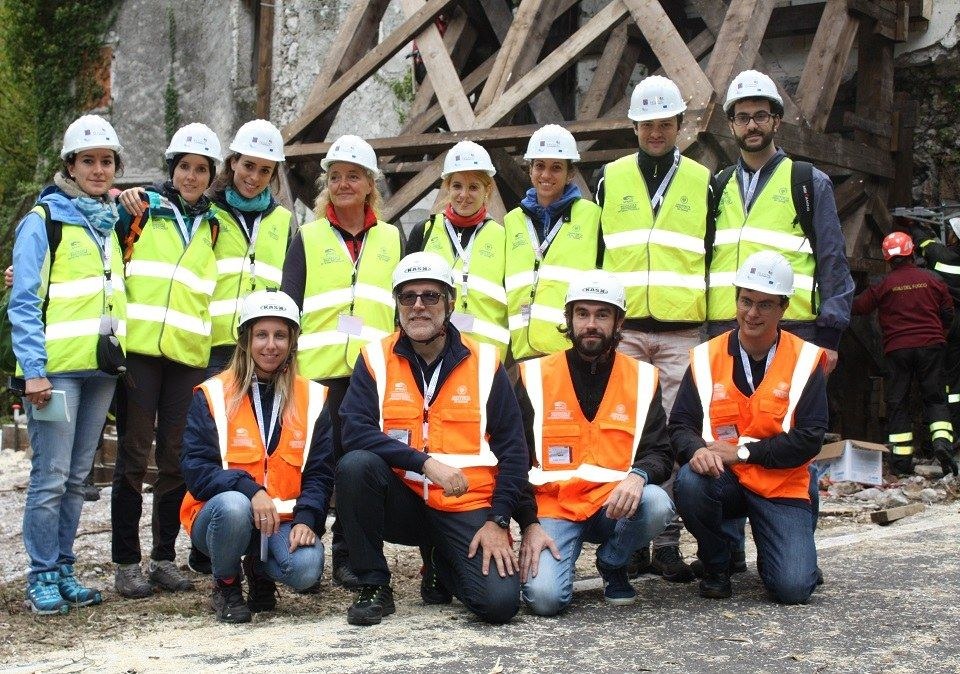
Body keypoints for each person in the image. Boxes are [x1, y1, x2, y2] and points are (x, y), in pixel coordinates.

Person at [335, 252, 528, 626]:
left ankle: (441, 560)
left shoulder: (485, 362)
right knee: (356, 466)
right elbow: (354, 431)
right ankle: (374, 583)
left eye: (430, 296)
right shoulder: (374, 358)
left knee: (498, 605)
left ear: (450, 303)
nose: (418, 306)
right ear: (397, 305)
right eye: (408, 296)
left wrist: (499, 520)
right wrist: (424, 463)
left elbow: (514, 451)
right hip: (403, 502)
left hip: (464, 504)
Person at [596, 75, 714, 582]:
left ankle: (666, 542)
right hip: (626, 329)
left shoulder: (703, 180)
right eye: (647, 124)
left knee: (673, 436)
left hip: (680, 329)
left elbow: (712, 251)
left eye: (665, 123)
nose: (656, 132)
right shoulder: (610, 178)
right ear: (635, 127)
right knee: (625, 431)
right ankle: (631, 540)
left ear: (679, 124)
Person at [10, 114, 126, 614]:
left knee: (78, 478)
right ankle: (40, 575)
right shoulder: (44, 221)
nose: (98, 170)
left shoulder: (108, 223)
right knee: (51, 476)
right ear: (70, 166)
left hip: (99, 372)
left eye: (107, 161)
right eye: (88, 161)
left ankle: (62, 567)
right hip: (54, 374)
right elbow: (23, 302)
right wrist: (33, 371)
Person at [514, 270, 675, 614]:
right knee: (545, 600)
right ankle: (559, 565)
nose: (591, 324)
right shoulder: (534, 376)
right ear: (569, 319)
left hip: (614, 506)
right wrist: (528, 524)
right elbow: (514, 458)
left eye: (602, 315)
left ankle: (613, 562)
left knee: (657, 502)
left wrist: (638, 476)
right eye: (582, 314)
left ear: (619, 322)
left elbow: (660, 451)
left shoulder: (642, 378)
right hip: (554, 508)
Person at [281, 134, 402, 589]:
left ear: (370, 184)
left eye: (353, 176)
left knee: (358, 466)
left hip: (372, 375)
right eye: (335, 177)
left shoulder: (392, 238)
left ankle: (350, 555)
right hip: (318, 374)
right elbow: (289, 307)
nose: (344, 184)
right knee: (318, 464)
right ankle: (303, 551)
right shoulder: (308, 237)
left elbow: (402, 309)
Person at [671, 251, 827, 604]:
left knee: (792, 589)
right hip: (724, 481)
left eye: (765, 304)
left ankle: (797, 547)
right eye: (746, 301)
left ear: (783, 308)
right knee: (690, 481)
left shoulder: (805, 360)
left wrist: (741, 453)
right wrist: (696, 451)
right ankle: (717, 563)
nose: (752, 313)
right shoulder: (707, 357)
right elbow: (680, 424)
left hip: (780, 482)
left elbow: (809, 438)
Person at [111, 123, 222, 599]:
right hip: (140, 353)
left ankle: (162, 559)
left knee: (176, 460)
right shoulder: (141, 209)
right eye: (184, 167)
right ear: (171, 168)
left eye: (201, 169)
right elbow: (101, 251)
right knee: (133, 457)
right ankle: (125, 563)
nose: (191, 177)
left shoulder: (213, 224)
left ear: (211, 176)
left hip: (187, 357)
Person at [179, 290, 331, 623]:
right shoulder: (214, 394)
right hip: (221, 517)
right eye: (261, 334)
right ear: (246, 340)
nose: (270, 345)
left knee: (306, 569)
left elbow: (320, 472)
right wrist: (250, 490)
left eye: (280, 335)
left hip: (282, 520)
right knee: (234, 506)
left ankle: (259, 569)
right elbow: (196, 469)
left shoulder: (312, 397)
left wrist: (307, 518)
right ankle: (226, 584)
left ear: (292, 342)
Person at [708, 69, 854, 370]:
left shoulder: (807, 182)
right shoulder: (720, 184)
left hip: (793, 329)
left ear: (776, 121)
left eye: (761, 116)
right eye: (742, 117)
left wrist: (830, 337)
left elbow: (833, 260)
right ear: (731, 125)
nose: (752, 125)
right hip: (724, 329)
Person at [851, 232, 956, 476]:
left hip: (898, 350)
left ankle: (901, 462)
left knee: (898, 403)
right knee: (935, 399)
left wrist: (836, 293)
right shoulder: (933, 279)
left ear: (887, 258)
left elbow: (859, 307)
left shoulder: (883, 284)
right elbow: (948, 314)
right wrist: (938, 334)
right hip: (931, 346)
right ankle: (942, 444)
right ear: (911, 253)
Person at [503, 124, 602, 362]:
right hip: (524, 351)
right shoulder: (512, 221)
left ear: (570, 173)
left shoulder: (592, 217)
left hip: (573, 350)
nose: (546, 175)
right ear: (530, 170)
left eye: (556, 167)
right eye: (539, 166)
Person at [206, 119, 295, 375]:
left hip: (263, 349)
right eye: (248, 165)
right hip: (212, 346)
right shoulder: (207, 211)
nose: (254, 177)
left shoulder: (282, 220)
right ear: (233, 162)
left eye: (265, 171)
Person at [405, 141, 508, 358]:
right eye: (457, 186)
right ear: (447, 187)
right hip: (432, 353)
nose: (464, 195)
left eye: (474, 187)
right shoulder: (424, 232)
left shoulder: (503, 238)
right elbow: (405, 296)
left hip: (486, 355)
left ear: (487, 190)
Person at [911, 218, 960, 452]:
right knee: (956, 379)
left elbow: (924, 243)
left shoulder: (942, 256)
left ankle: (944, 434)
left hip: (948, 321)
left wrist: (914, 224)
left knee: (940, 379)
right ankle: (955, 432)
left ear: (954, 237)